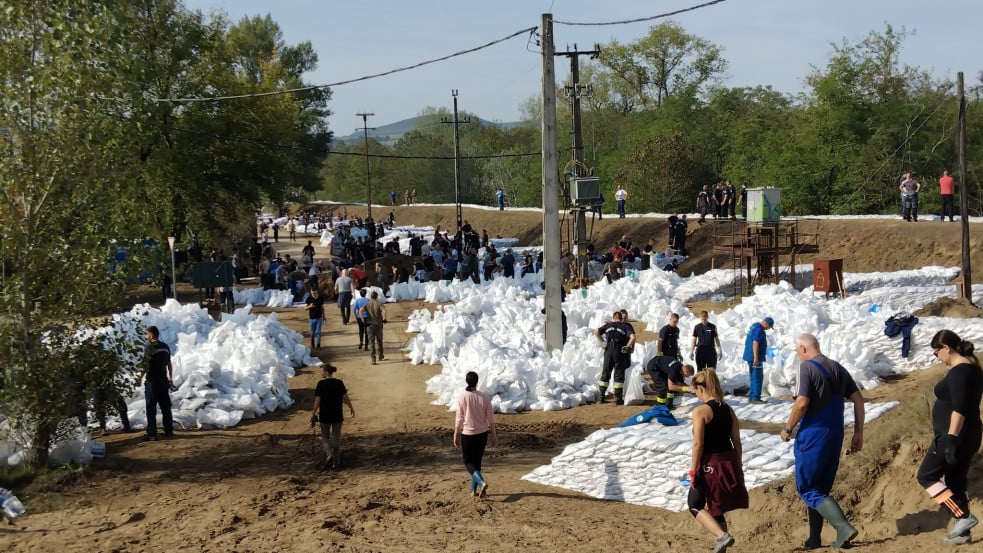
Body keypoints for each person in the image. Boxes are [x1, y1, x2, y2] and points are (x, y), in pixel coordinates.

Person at [780, 333, 864, 549]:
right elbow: (858, 399)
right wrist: (858, 433)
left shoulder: (806, 367)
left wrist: (788, 427)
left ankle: (843, 528)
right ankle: (815, 538)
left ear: (803, 348)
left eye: (798, 351)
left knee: (808, 488)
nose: (798, 355)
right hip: (835, 434)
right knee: (819, 488)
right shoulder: (837, 367)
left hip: (813, 435)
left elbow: (802, 402)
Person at [915, 329, 982, 544]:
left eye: (936, 353)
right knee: (955, 481)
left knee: (926, 476)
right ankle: (963, 534)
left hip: (954, 436)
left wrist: (951, 438)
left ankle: (962, 516)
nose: (937, 358)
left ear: (946, 348)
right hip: (966, 434)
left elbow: (960, 407)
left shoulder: (960, 371)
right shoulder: (971, 369)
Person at [688, 369, 749, 553]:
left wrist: (692, 471)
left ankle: (722, 536)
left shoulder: (701, 411)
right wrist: (737, 465)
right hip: (727, 460)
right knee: (716, 508)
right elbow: (736, 442)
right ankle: (722, 547)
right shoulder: (728, 410)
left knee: (695, 504)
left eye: (695, 390)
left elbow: (698, 443)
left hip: (710, 464)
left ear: (700, 388)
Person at [453, 371, 497, 498]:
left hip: (468, 434)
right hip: (482, 433)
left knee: (468, 462)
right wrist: (494, 434)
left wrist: (456, 433)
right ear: (477, 382)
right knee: (477, 462)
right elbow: (490, 417)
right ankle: (473, 490)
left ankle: (481, 482)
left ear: (467, 381)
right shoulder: (484, 397)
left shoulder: (462, 397)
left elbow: (459, 417)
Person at [311, 364, 355, 470]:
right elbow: (345, 397)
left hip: (325, 414)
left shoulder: (321, 384)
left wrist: (313, 413)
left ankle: (329, 454)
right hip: (337, 414)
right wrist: (351, 408)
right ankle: (337, 462)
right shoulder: (339, 383)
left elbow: (318, 400)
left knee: (325, 437)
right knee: (336, 438)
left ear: (326, 372)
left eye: (322, 371)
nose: (321, 373)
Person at [594, 311, 635, 405]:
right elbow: (633, 337)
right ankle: (618, 398)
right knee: (619, 374)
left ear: (613, 317)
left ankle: (601, 397)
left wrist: (602, 341)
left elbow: (596, 331)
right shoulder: (625, 326)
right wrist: (627, 346)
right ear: (621, 318)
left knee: (606, 372)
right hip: (619, 351)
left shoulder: (608, 325)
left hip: (608, 350)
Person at [141, 326, 174, 441]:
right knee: (166, 407)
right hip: (163, 381)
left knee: (151, 408)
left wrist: (138, 378)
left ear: (151, 334)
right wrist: (171, 378)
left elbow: (146, 364)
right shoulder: (165, 346)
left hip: (152, 381)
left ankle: (152, 434)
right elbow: (169, 364)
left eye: (146, 334)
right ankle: (169, 430)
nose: (145, 337)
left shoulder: (149, 346)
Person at [742, 316, 774, 404]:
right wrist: (756, 357)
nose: (768, 329)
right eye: (769, 327)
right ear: (766, 324)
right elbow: (755, 343)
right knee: (757, 377)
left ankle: (752, 396)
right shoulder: (759, 330)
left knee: (753, 376)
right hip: (755, 357)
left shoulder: (754, 326)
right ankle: (755, 398)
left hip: (750, 356)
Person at [360, 290, 387, 364]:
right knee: (379, 341)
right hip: (378, 324)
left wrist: (362, 320)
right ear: (377, 296)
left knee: (371, 342)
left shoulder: (367, 303)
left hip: (369, 325)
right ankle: (380, 355)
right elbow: (384, 310)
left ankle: (373, 359)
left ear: (371, 297)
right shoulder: (379, 303)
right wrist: (384, 319)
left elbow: (360, 310)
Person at [305, 286, 325, 351]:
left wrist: (324, 316)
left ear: (317, 292)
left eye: (315, 293)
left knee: (318, 332)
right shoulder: (309, 299)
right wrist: (310, 306)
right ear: (311, 292)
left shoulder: (321, 298)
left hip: (319, 317)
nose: (314, 294)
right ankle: (312, 342)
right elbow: (305, 308)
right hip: (312, 318)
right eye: (312, 293)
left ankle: (318, 345)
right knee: (312, 332)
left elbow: (322, 307)